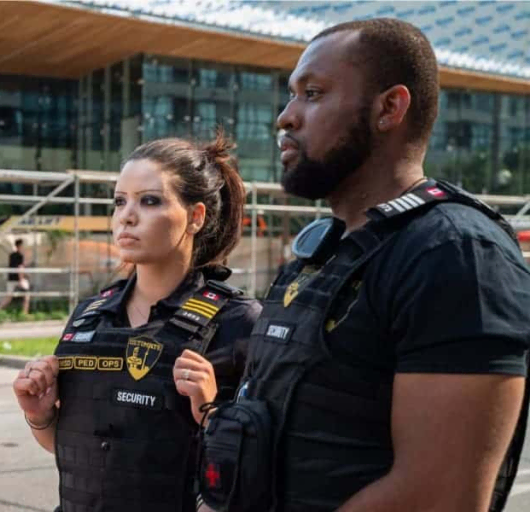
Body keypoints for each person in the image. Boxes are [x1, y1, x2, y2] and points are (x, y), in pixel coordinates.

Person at [198, 18, 530, 512]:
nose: (285, 117)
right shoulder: (322, 253)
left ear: (389, 108)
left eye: (312, 93)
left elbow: (437, 498)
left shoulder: (457, 255)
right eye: (291, 95)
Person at [13, 132, 262, 512]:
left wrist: (210, 413)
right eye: (119, 202)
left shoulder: (239, 322)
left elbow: (259, 471)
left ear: (195, 217)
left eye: (150, 201)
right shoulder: (89, 316)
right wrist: (41, 415)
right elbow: (79, 448)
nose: (127, 216)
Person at [0, 238, 31, 314]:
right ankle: (24, 313)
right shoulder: (20, 256)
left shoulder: (12, 255)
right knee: (26, 296)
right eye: (23, 245)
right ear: (20, 246)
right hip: (18, 279)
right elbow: (20, 268)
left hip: (11, 278)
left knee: (9, 297)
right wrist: (21, 279)